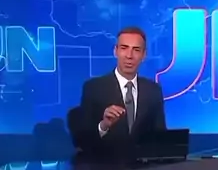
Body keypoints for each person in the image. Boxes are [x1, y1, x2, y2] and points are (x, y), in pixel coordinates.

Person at [68, 26, 166, 157]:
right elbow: (82, 141)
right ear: (116, 51)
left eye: (136, 50)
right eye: (124, 48)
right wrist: (104, 125)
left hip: (143, 167)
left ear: (144, 55)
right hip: (104, 166)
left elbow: (161, 138)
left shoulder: (153, 90)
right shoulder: (94, 88)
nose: (129, 56)